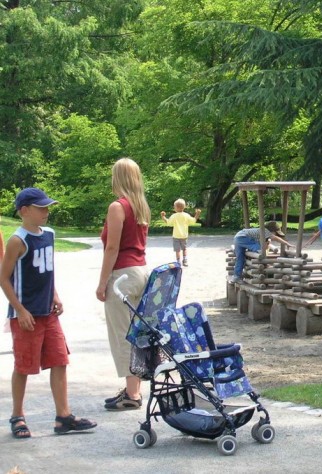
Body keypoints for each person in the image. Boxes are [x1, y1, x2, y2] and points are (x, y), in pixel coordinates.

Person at [1, 188, 97, 438]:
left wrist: (55, 295)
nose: (46, 211)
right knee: (24, 366)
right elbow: (3, 277)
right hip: (26, 316)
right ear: (24, 211)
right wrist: (20, 310)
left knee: (59, 360)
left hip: (48, 312)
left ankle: (63, 417)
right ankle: (17, 416)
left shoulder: (50, 235)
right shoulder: (17, 240)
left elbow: (48, 272)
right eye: (41, 208)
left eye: (47, 207)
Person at [96, 158, 151, 410]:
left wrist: (103, 281)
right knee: (137, 332)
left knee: (122, 333)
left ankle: (133, 394)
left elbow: (112, 247)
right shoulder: (141, 206)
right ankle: (133, 387)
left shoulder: (117, 207)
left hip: (123, 275)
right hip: (141, 271)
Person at [160, 198, 201, 266]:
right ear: (184, 207)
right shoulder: (186, 215)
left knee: (177, 250)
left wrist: (163, 216)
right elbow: (193, 221)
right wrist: (197, 214)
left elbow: (168, 222)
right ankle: (185, 260)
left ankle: (178, 262)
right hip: (184, 236)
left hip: (176, 236)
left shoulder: (174, 216)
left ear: (175, 208)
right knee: (184, 249)